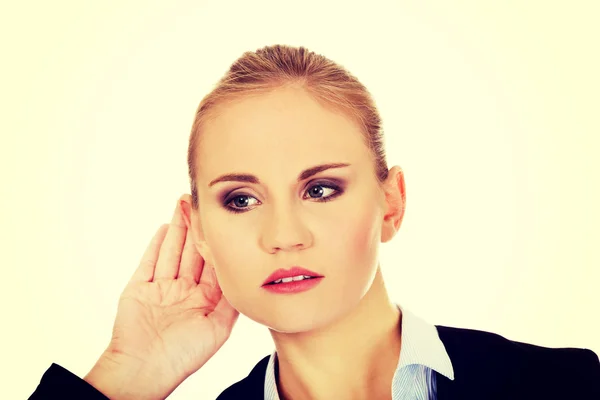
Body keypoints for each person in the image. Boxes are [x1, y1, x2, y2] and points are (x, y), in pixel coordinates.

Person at [30, 44, 599, 400]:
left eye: (320, 189)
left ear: (391, 202)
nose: (283, 236)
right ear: (197, 227)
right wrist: (126, 379)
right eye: (241, 200)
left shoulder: (565, 386)